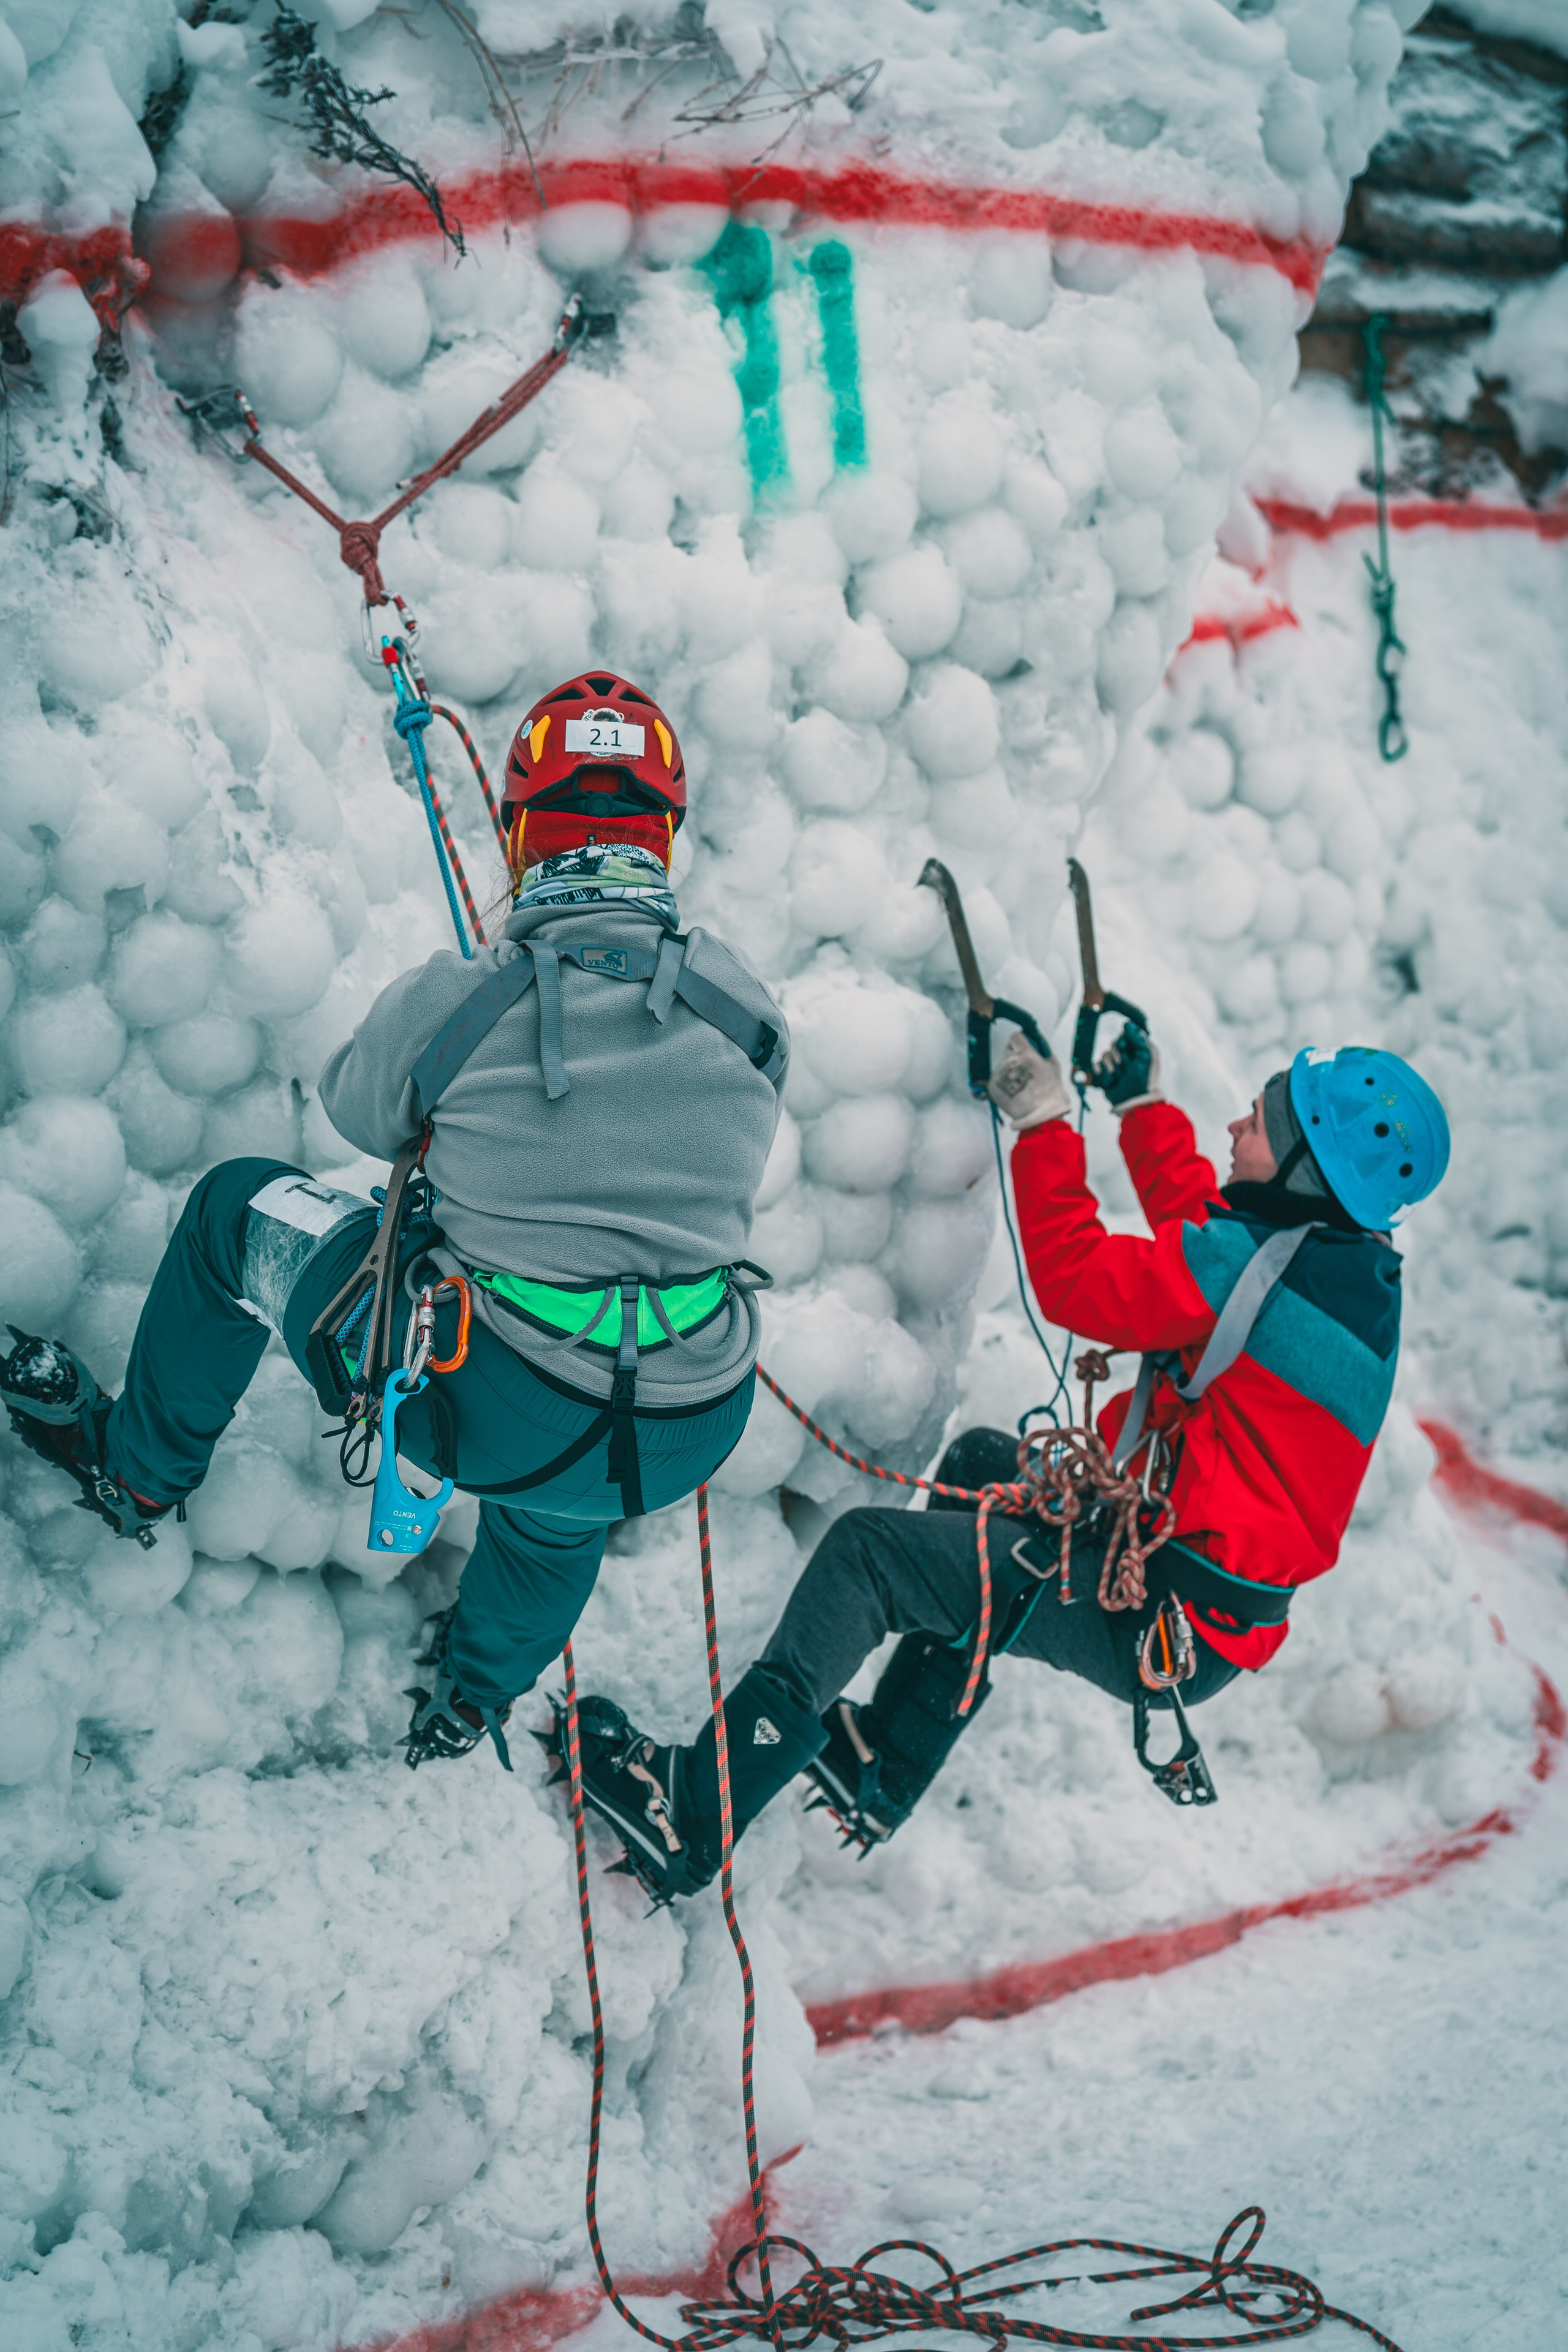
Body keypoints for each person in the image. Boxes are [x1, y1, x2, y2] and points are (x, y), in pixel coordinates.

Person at [1, 672, 788, 1771]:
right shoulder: (742, 999)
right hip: (689, 1416)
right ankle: (471, 1697)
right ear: (664, 833)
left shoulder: (465, 997)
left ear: (520, 829)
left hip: (486, 1394)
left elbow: (360, 1111)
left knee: (235, 1209)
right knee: (562, 1505)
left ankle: (135, 1472)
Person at [567, 1018, 1450, 1898]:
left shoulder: (1255, 1274)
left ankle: (692, 1811)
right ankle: (885, 1761)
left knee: (868, 1559)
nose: (1234, 1129)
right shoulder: (1337, 1265)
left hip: (1160, 1609)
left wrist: (1043, 1126)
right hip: (1193, 1589)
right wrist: (1141, 1108)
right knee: (984, 1465)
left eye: (1256, 1124)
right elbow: (1210, 1233)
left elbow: (1074, 1277)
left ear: (1306, 1168)